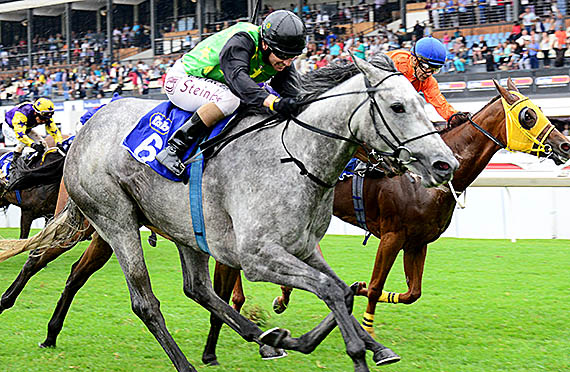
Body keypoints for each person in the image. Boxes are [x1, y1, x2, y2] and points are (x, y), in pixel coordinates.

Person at [156, 10, 306, 176]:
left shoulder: (281, 57)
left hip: (217, 85)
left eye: (293, 57)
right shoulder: (242, 40)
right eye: (283, 56)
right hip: (182, 78)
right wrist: (272, 101)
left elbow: (293, 96)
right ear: (265, 45)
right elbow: (237, 79)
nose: (287, 62)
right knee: (230, 100)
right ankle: (174, 148)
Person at [386, 37, 468, 125]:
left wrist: (455, 117)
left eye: (435, 69)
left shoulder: (428, 81)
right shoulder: (396, 62)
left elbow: (440, 104)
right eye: (428, 68)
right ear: (414, 60)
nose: (429, 74)